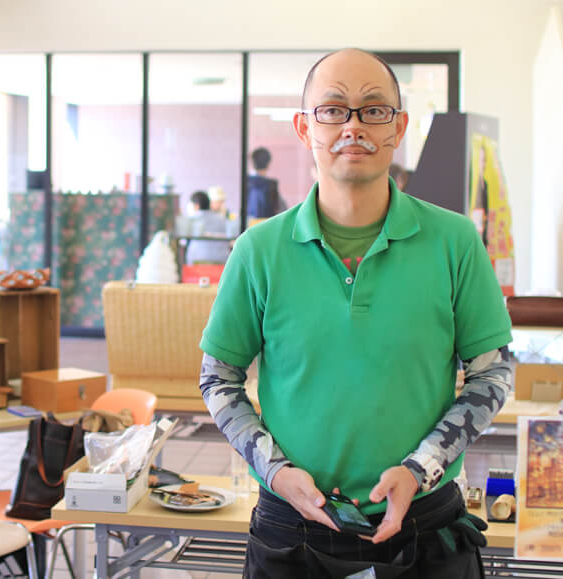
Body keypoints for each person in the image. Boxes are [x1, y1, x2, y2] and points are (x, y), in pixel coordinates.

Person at [199, 48, 514, 577]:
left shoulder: (455, 241)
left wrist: (420, 468)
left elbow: (493, 372)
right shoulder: (258, 250)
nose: (353, 126)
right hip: (293, 530)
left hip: (424, 526)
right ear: (305, 128)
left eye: (374, 109)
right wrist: (275, 472)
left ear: (398, 127)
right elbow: (218, 377)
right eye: (332, 110)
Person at [183, 191, 232, 265]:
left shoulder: (192, 219)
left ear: (196, 206)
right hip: (222, 261)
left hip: (197, 260)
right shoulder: (222, 218)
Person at [246, 147, 284, 219]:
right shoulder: (271, 185)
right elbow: (281, 210)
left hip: (248, 224)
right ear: (268, 164)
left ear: (252, 163)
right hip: (267, 224)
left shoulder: (245, 182)